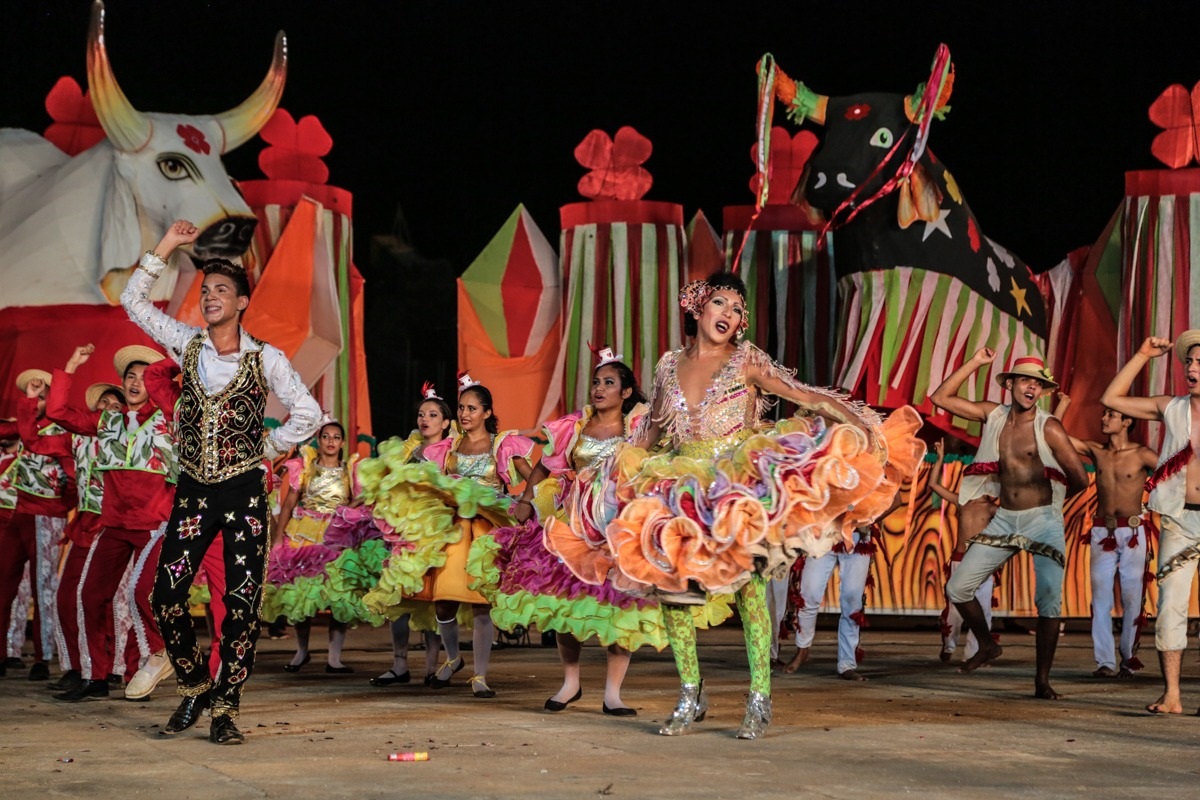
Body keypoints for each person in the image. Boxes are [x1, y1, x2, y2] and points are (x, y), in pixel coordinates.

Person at [548, 272, 924, 739]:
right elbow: (653, 433)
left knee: (749, 594)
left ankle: (759, 698)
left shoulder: (746, 359)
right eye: (721, 304)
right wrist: (611, 468)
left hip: (736, 487)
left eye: (737, 309)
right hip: (679, 487)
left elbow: (802, 395)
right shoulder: (667, 365)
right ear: (699, 307)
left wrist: (863, 424)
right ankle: (690, 693)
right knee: (673, 594)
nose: (729, 315)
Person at [121, 219, 321, 744]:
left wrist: (269, 449)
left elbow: (309, 412)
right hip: (193, 491)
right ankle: (193, 685)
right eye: (206, 290)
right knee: (167, 597)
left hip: (243, 495)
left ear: (241, 303)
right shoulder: (186, 344)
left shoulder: (265, 358)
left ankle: (225, 709)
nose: (210, 298)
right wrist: (167, 245)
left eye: (220, 291)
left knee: (241, 603)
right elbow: (134, 303)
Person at [494, 349, 726, 715]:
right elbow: (544, 466)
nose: (599, 389)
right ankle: (570, 682)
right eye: (597, 382)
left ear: (626, 392)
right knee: (563, 606)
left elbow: (661, 454)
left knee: (619, 607)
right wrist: (525, 498)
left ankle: (612, 693)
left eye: (609, 383)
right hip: (574, 524)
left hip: (618, 526)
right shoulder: (574, 427)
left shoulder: (638, 428)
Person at [361, 376, 533, 698]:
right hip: (452, 530)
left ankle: (480, 676)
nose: (465, 413)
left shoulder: (501, 444)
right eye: (462, 408)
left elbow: (535, 476)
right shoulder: (449, 447)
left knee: (482, 604)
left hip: (487, 531)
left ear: (486, 412)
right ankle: (453, 657)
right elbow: (433, 485)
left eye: (472, 408)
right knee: (443, 603)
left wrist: (525, 502)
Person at [931, 349, 1088, 699]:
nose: (1032, 387)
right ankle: (987, 645)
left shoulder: (1049, 427)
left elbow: (1080, 480)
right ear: (1012, 384)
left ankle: (1041, 680)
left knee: (1049, 602)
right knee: (958, 588)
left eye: (1038, 383)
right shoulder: (994, 416)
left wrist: (1053, 509)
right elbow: (940, 398)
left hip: (1042, 520)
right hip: (1004, 519)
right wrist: (974, 362)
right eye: (1026, 380)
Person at [45, 344, 180, 703]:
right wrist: (71, 365)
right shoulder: (107, 421)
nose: (136, 383)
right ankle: (96, 675)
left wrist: (175, 357)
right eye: (130, 377)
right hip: (114, 525)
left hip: (155, 524)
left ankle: (148, 664)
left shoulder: (168, 417)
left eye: (143, 377)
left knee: (141, 597)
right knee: (90, 595)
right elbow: (57, 411)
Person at [1099, 333, 1200, 714]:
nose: (1191, 368)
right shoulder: (1170, 407)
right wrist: (1142, 354)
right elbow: (1111, 399)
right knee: (1170, 606)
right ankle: (1172, 694)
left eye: (1199, 363)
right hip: (1179, 519)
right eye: (1188, 362)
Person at [1055, 394, 1158, 678]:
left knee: (1132, 598)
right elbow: (1056, 435)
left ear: (1126, 421)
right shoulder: (1096, 451)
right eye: (1105, 414)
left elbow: (1172, 473)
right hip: (1102, 530)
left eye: (1111, 415)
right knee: (1100, 598)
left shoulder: (1142, 454)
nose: (1104, 419)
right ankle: (1105, 662)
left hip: (1134, 531)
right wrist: (1063, 404)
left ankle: (1128, 658)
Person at [264, 420, 376, 673]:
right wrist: (280, 536)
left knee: (338, 595)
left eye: (336, 437)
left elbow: (357, 499)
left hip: (336, 535)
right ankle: (301, 652)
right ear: (319, 440)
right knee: (302, 595)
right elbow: (289, 503)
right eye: (326, 436)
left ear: (343, 443)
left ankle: (334, 658)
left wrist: (359, 504)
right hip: (304, 533)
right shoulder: (305, 469)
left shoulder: (350, 471)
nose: (331, 441)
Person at [46, 378, 122, 697]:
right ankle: (78, 667)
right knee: (66, 597)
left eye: (117, 406)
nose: (109, 410)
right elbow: (39, 435)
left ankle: (107, 671)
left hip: (113, 523)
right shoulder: (76, 439)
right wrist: (71, 369)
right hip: (85, 523)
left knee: (106, 601)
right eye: (103, 404)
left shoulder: (125, 435)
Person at [368, 384, 447, 688]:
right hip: (405, 533)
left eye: (432, 414)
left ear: (445, 422)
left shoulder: (451, 451)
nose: (425, 419)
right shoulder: (407, 450)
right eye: (421, 414)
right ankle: (399, 663)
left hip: (437, 533)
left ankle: (432, 666)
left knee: (433, 599)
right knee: (398, 595)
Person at [0, 370, 73, 681]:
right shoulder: (26, 427)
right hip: (19, 513)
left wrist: (59, 506)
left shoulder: (62, 431)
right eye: (35, 397)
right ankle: (3, 652)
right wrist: (28, 399)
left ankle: (43, 656)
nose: (38, 402)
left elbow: (73, 479)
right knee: (4, 584)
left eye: (44, 396)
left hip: (46, 516)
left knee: (44, 589)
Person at [783, 495, 903, 681]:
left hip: (857, 537)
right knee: (809, 594)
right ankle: (803, 649)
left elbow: (896, 499)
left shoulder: (873, 466)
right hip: (823, 534)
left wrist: (867, 519)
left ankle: (847, 663)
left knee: (852, 601)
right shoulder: (827, 465)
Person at [926, 438, 1000, 665]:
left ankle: (975, 653)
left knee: (984, 610)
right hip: (960, 559)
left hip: (984, 562)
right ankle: (948, 645)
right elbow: (933, 485)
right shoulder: (962, 502)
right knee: (956, 611)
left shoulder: (993, 508)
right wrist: (939, 459)